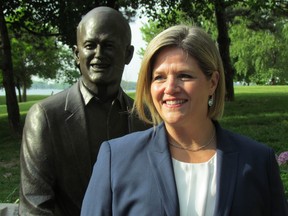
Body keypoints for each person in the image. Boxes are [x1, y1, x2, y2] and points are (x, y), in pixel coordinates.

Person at [81, 25, 288, 216]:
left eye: (184, 76)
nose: (170, 88)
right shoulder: (116, 159)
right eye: (159, 77)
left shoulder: (258, 160)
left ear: (213, 82)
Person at [19, 6, 150, 215]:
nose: (98, 54)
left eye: (108, 45)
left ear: (128, 54)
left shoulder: (147, 118)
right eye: (90, 45)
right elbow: (35, 206)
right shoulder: (45, 117)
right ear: (76, 53)